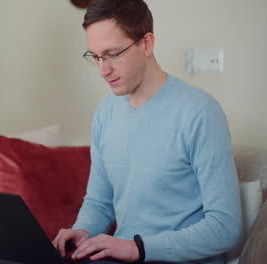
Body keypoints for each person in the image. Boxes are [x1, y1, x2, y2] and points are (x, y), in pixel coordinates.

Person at [52, 0, 242, 263]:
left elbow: (225, 228)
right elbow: (99, 202)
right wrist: (82, 231)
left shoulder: (200, 112)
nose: (102, 70)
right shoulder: (105, 113)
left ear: (147, 43)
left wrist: (137, 249)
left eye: (113, 54)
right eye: (95, 57)